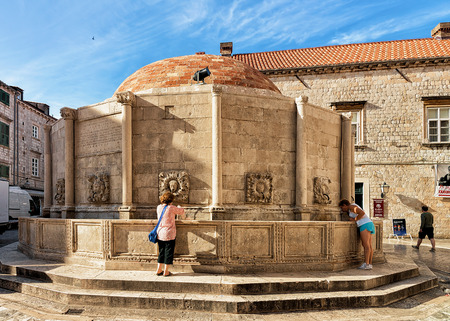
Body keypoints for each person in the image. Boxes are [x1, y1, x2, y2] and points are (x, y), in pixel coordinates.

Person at [155, 191, 186, 277]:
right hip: (169, 233)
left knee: (161, 251)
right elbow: (181, 211)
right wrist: (179, 207)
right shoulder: (171, 208)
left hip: (160, 232)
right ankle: (166, 271)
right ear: (171, 200)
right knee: (168, 252)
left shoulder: (158, 207)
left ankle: (158, 269)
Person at [338, 199, 375, 270]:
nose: (342, 209)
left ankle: (366, 264)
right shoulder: (351, 208)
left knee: (366, 245)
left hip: (364, 224)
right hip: (368, 223)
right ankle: (369, 264)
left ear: (345, 205)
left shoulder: (351, 207)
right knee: (369, 246)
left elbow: (362, 213)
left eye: (342, 207)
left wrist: (355, 219)